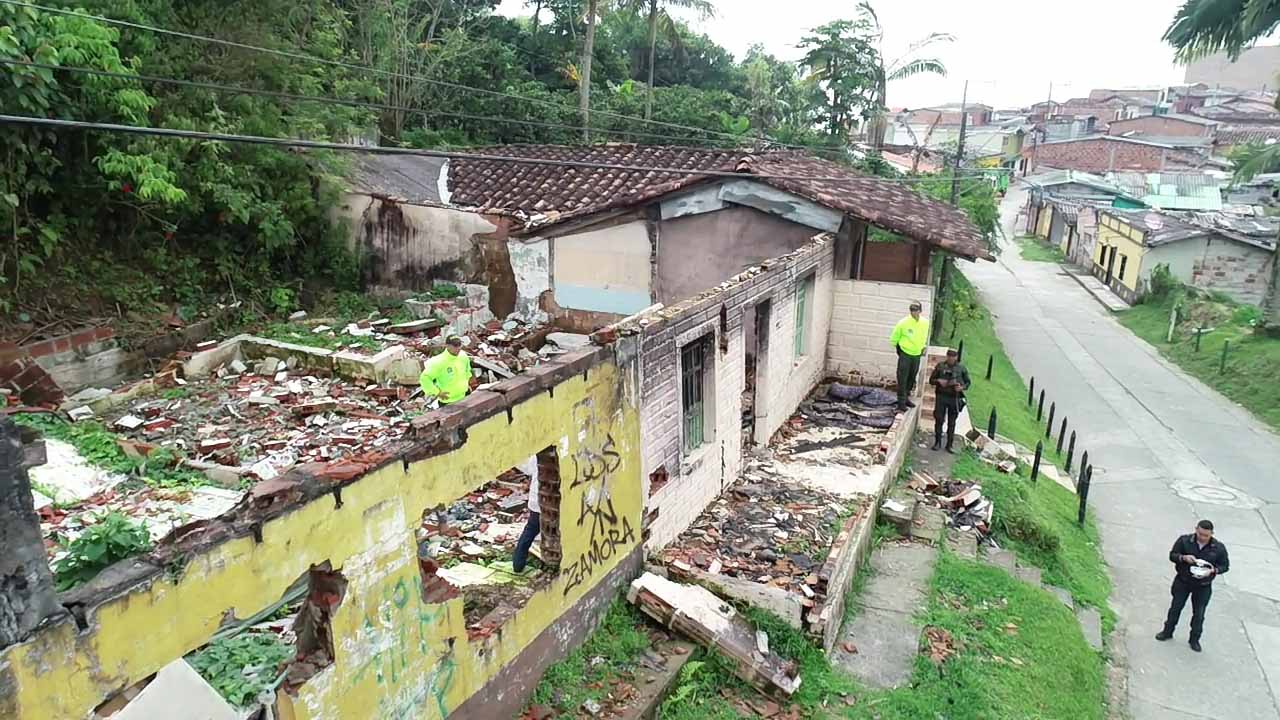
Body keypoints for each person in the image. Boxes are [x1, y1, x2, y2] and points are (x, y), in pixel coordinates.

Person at [1156, 520, 1229, 652]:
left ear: (1211, 534)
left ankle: (1194, 640)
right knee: (1175, 608)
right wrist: (1183, 558)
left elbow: (1225, 566)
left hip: (1203, 585)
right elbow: (1172, 555)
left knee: (1199, 614)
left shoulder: (1218, 548)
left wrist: (1213, 570)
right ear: (1196, 530)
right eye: (1200, 534)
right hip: (1183, 581)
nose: (1202, 537)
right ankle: (1167, 632)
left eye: (1206, 535)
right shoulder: (1184, 541)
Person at [889, 301, 929, 411]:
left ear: (920, 311)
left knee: (912, 377)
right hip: (905, 353)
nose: (913, 312)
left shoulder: (925, 323)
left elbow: (923, 336)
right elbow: (894, 338)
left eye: (916, 310)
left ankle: (906, 397)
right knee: (902, 377)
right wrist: (900, 351)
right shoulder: (903, 322)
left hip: (917, 354)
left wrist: (923, 346)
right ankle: (901, 402)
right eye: (912, 310)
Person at [929, 348, 969, 453]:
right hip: (941, 396)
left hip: (954, 397)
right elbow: (931, 380)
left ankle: (949, 445)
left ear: (956, 357)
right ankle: (937, 442)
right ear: (947, 356)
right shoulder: (940, 366)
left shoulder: (961, 368)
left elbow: (968, 382)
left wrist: (961, 387)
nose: (951, 359)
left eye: (953, 357)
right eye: (949, 356)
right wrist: (939, 381)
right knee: (939, 420)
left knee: (952, 422)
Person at [419, 336, 473, 405]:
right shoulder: (439, 362)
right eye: (455, 346)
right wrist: (437, 392)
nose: (458, 348)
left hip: (463, 396)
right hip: (448, 400)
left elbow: (467, 371)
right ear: (447, 346)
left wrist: (467, 384)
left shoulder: (463, 356)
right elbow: (425, 378)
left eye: (459, 345)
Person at [511, 455, 541, 574]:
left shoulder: (537, 456)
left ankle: (518, 564)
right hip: (552, 502)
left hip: (536, 501)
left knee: (530, 531)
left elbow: (526, 468)